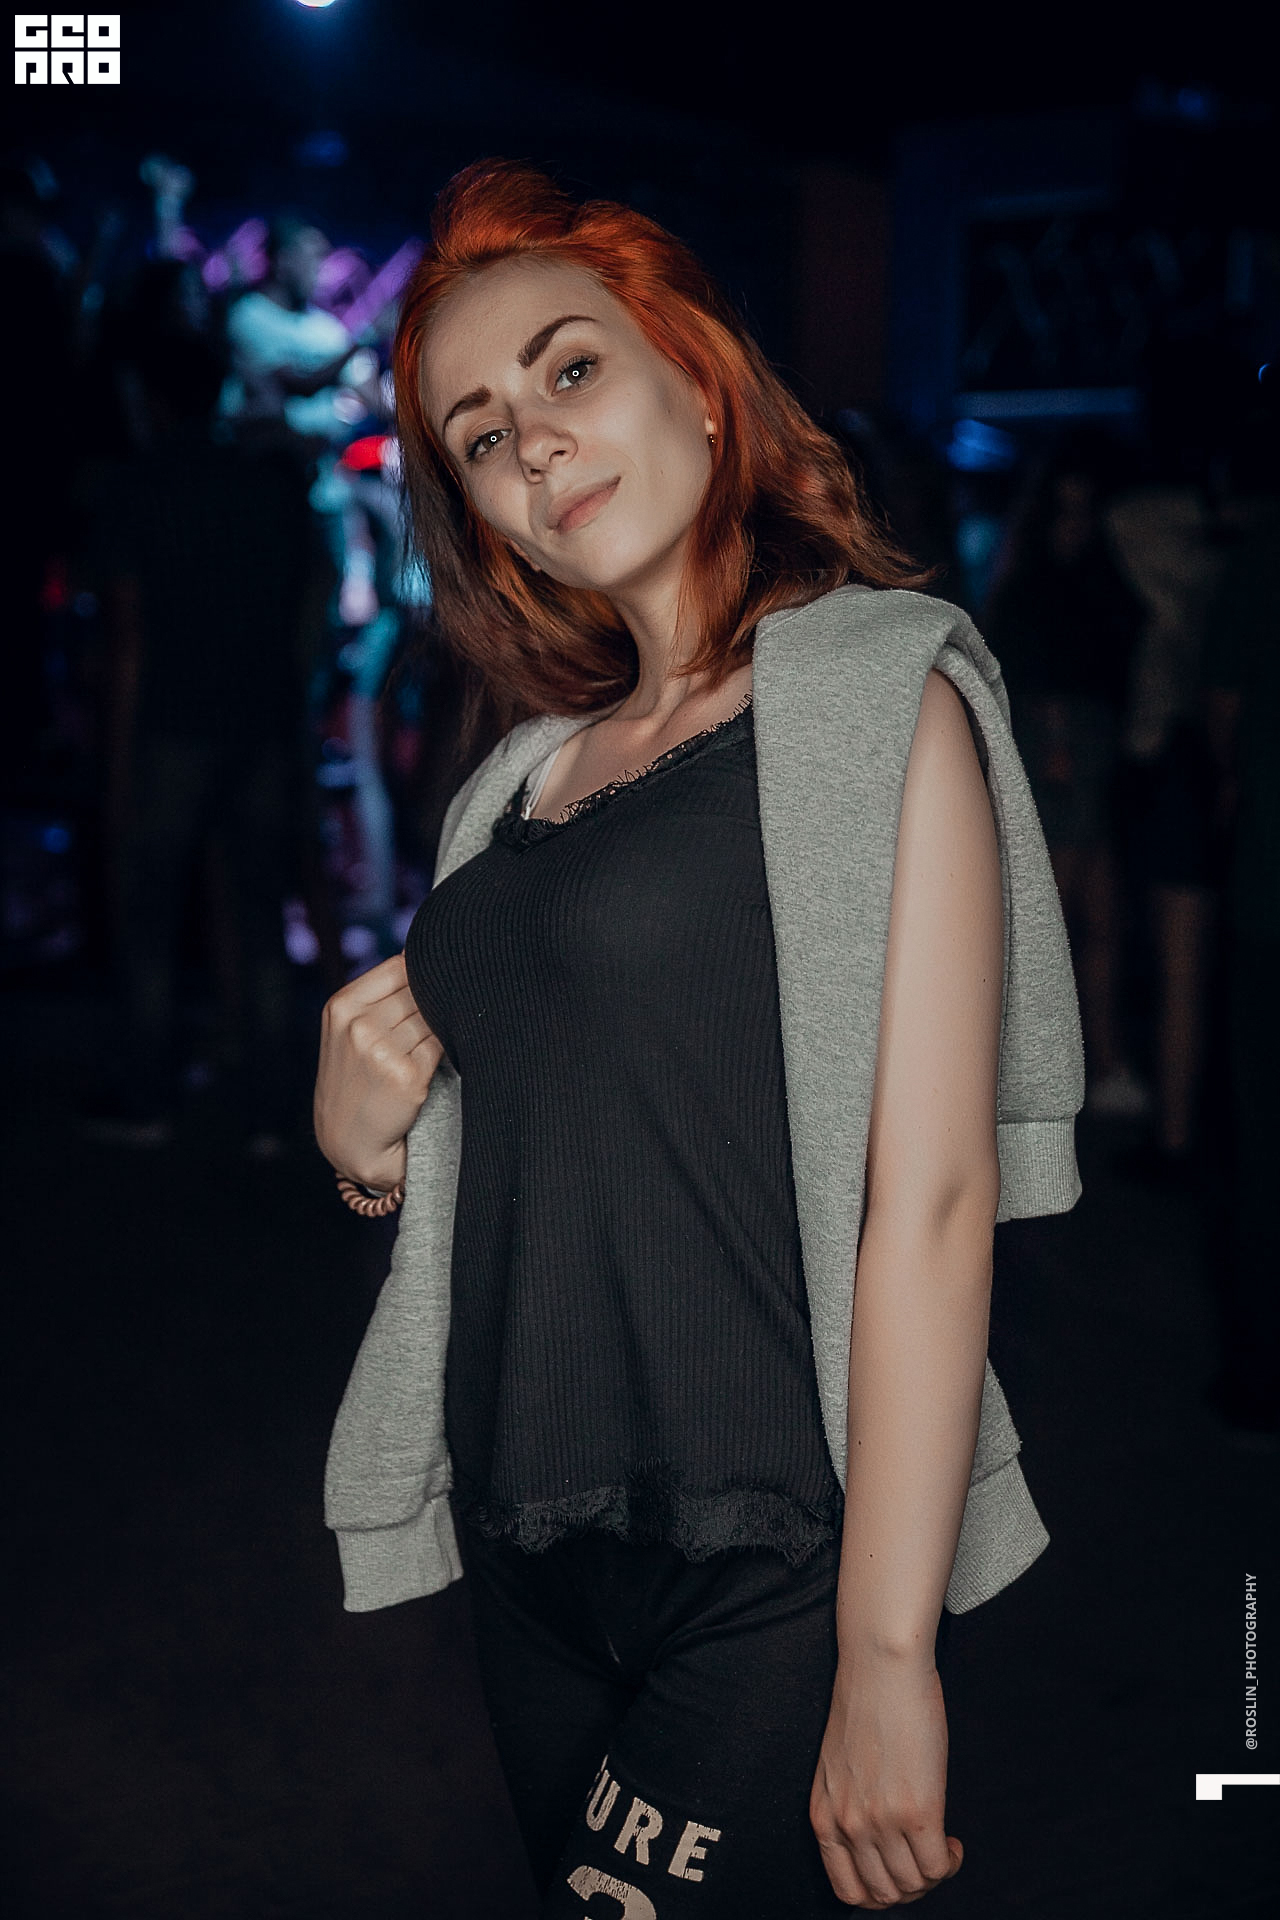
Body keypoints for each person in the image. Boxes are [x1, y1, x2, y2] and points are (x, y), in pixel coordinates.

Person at [313, 161, 1083, 1913]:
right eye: (481, 437)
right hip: (526, 1534)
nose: (533, 445)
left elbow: (932, 1200)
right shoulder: (521, 778)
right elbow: (523, 1132)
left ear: (700, 379)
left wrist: (886, 1652)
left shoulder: (876, 697)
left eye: (570, 371)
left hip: (764, 1551)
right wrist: (363, 1160)